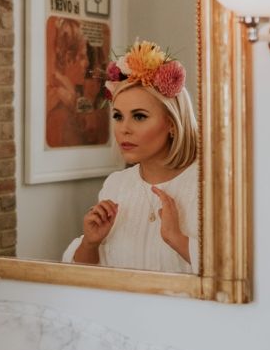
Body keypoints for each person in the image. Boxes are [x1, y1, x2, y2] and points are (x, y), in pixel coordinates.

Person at [62, 39, 198, 274]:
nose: (124, 129)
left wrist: (176, 238)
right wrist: (90, 243)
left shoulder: (206, 188)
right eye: (118, 116)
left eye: (139, 116)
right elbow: (84, 279)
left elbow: (233, 274)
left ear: (172, 124)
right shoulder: (116, 185)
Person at [45, 17, 109, 147]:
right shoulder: (59, 107)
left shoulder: (70, 97)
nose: (87, 64)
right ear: (68, 59)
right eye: (81, 57)